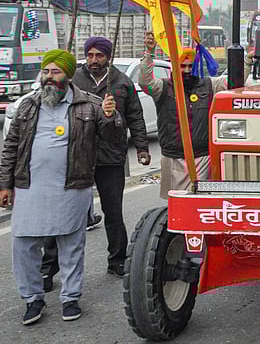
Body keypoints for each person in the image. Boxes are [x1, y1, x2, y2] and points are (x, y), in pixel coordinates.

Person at [0, 50, 122, 325]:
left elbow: (114, 140)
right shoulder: (28, 105)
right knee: (23, 244)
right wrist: (4, 184)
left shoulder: (90, 105)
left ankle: (70, 298)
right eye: (46, 72)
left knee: (71, 245)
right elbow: (10, 147)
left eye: (55, 72)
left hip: (72, 186)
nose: (49, 78)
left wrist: (111, 117)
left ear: (67, 75)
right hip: (29, 187)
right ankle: (33, 299)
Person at [41, 37, 152, 292]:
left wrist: (143, 147)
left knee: (113, 212)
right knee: (63, 213)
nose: (93, 60)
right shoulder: (73, 79)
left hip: (111, 157)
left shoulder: (122, 82)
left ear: (108, 57)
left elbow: (135, 116)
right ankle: (47, 268)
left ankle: (117, 260)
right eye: (90, 55)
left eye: (99, 56)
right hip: (76, 156)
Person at [139, 32, 231, 199]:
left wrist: (246, 61)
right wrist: (149, 53)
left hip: (203, 158)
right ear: (175, 67)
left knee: (202, 202)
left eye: (191, 66)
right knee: (177, 204)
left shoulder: (210, 85)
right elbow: (145, 82)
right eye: (183, 66)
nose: (187, 71)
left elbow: (234, 82)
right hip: (174, 158)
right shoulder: (163, 88)